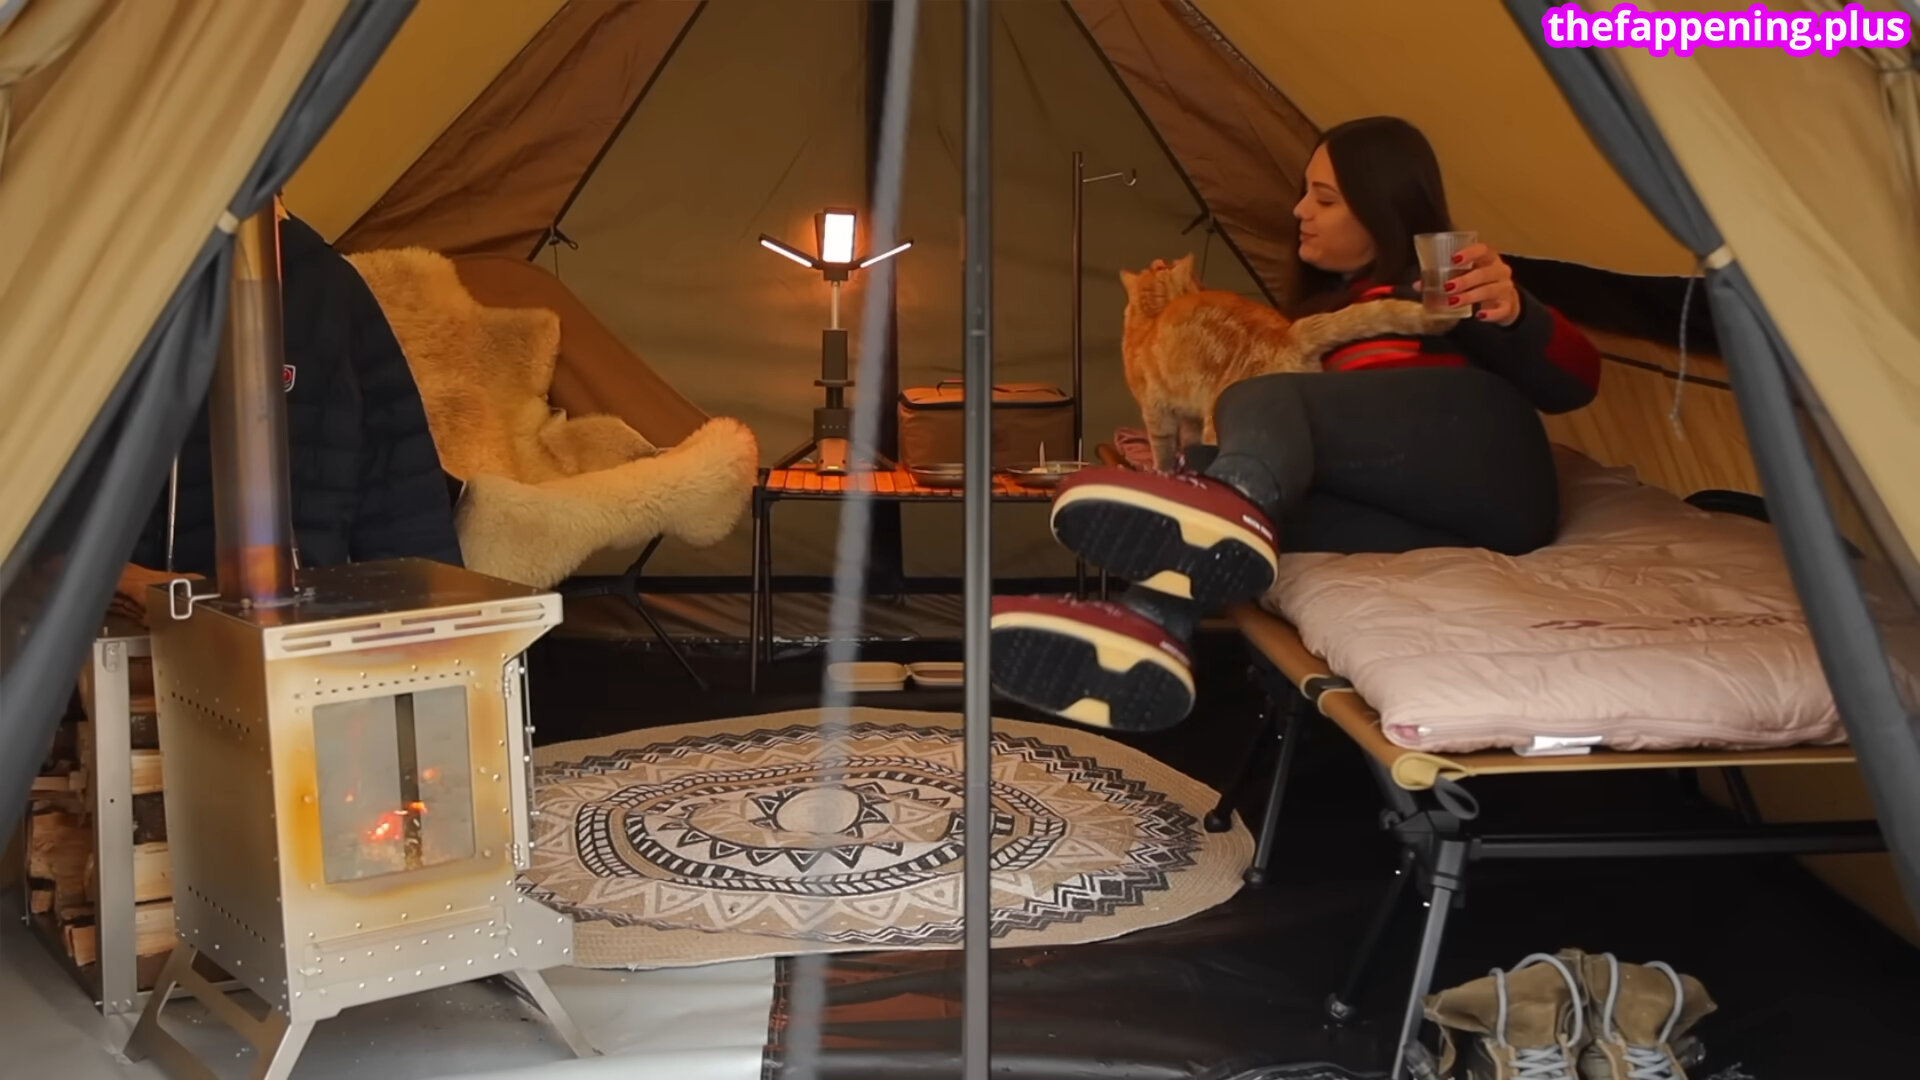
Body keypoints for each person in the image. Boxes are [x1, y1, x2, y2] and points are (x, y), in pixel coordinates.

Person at [990, 116, 1603, 734]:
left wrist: (1514, 311)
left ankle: (1168, 579)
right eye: (1305, 192)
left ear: (1382, 208)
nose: (1299, 210)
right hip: (1430, 521)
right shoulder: (1311, 320)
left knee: (1257, 409)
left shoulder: (1440, 285)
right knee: (1225, 500)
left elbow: (1573, 384)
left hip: (1493, 470)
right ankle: (1150, 625)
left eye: (1325, 199)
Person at [109, 202, 462, 624]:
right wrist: (122, 583)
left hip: (299, 636)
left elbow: (405, 505)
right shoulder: (102, 279)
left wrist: (443, 631)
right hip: (126, 637)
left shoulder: (326, 287)